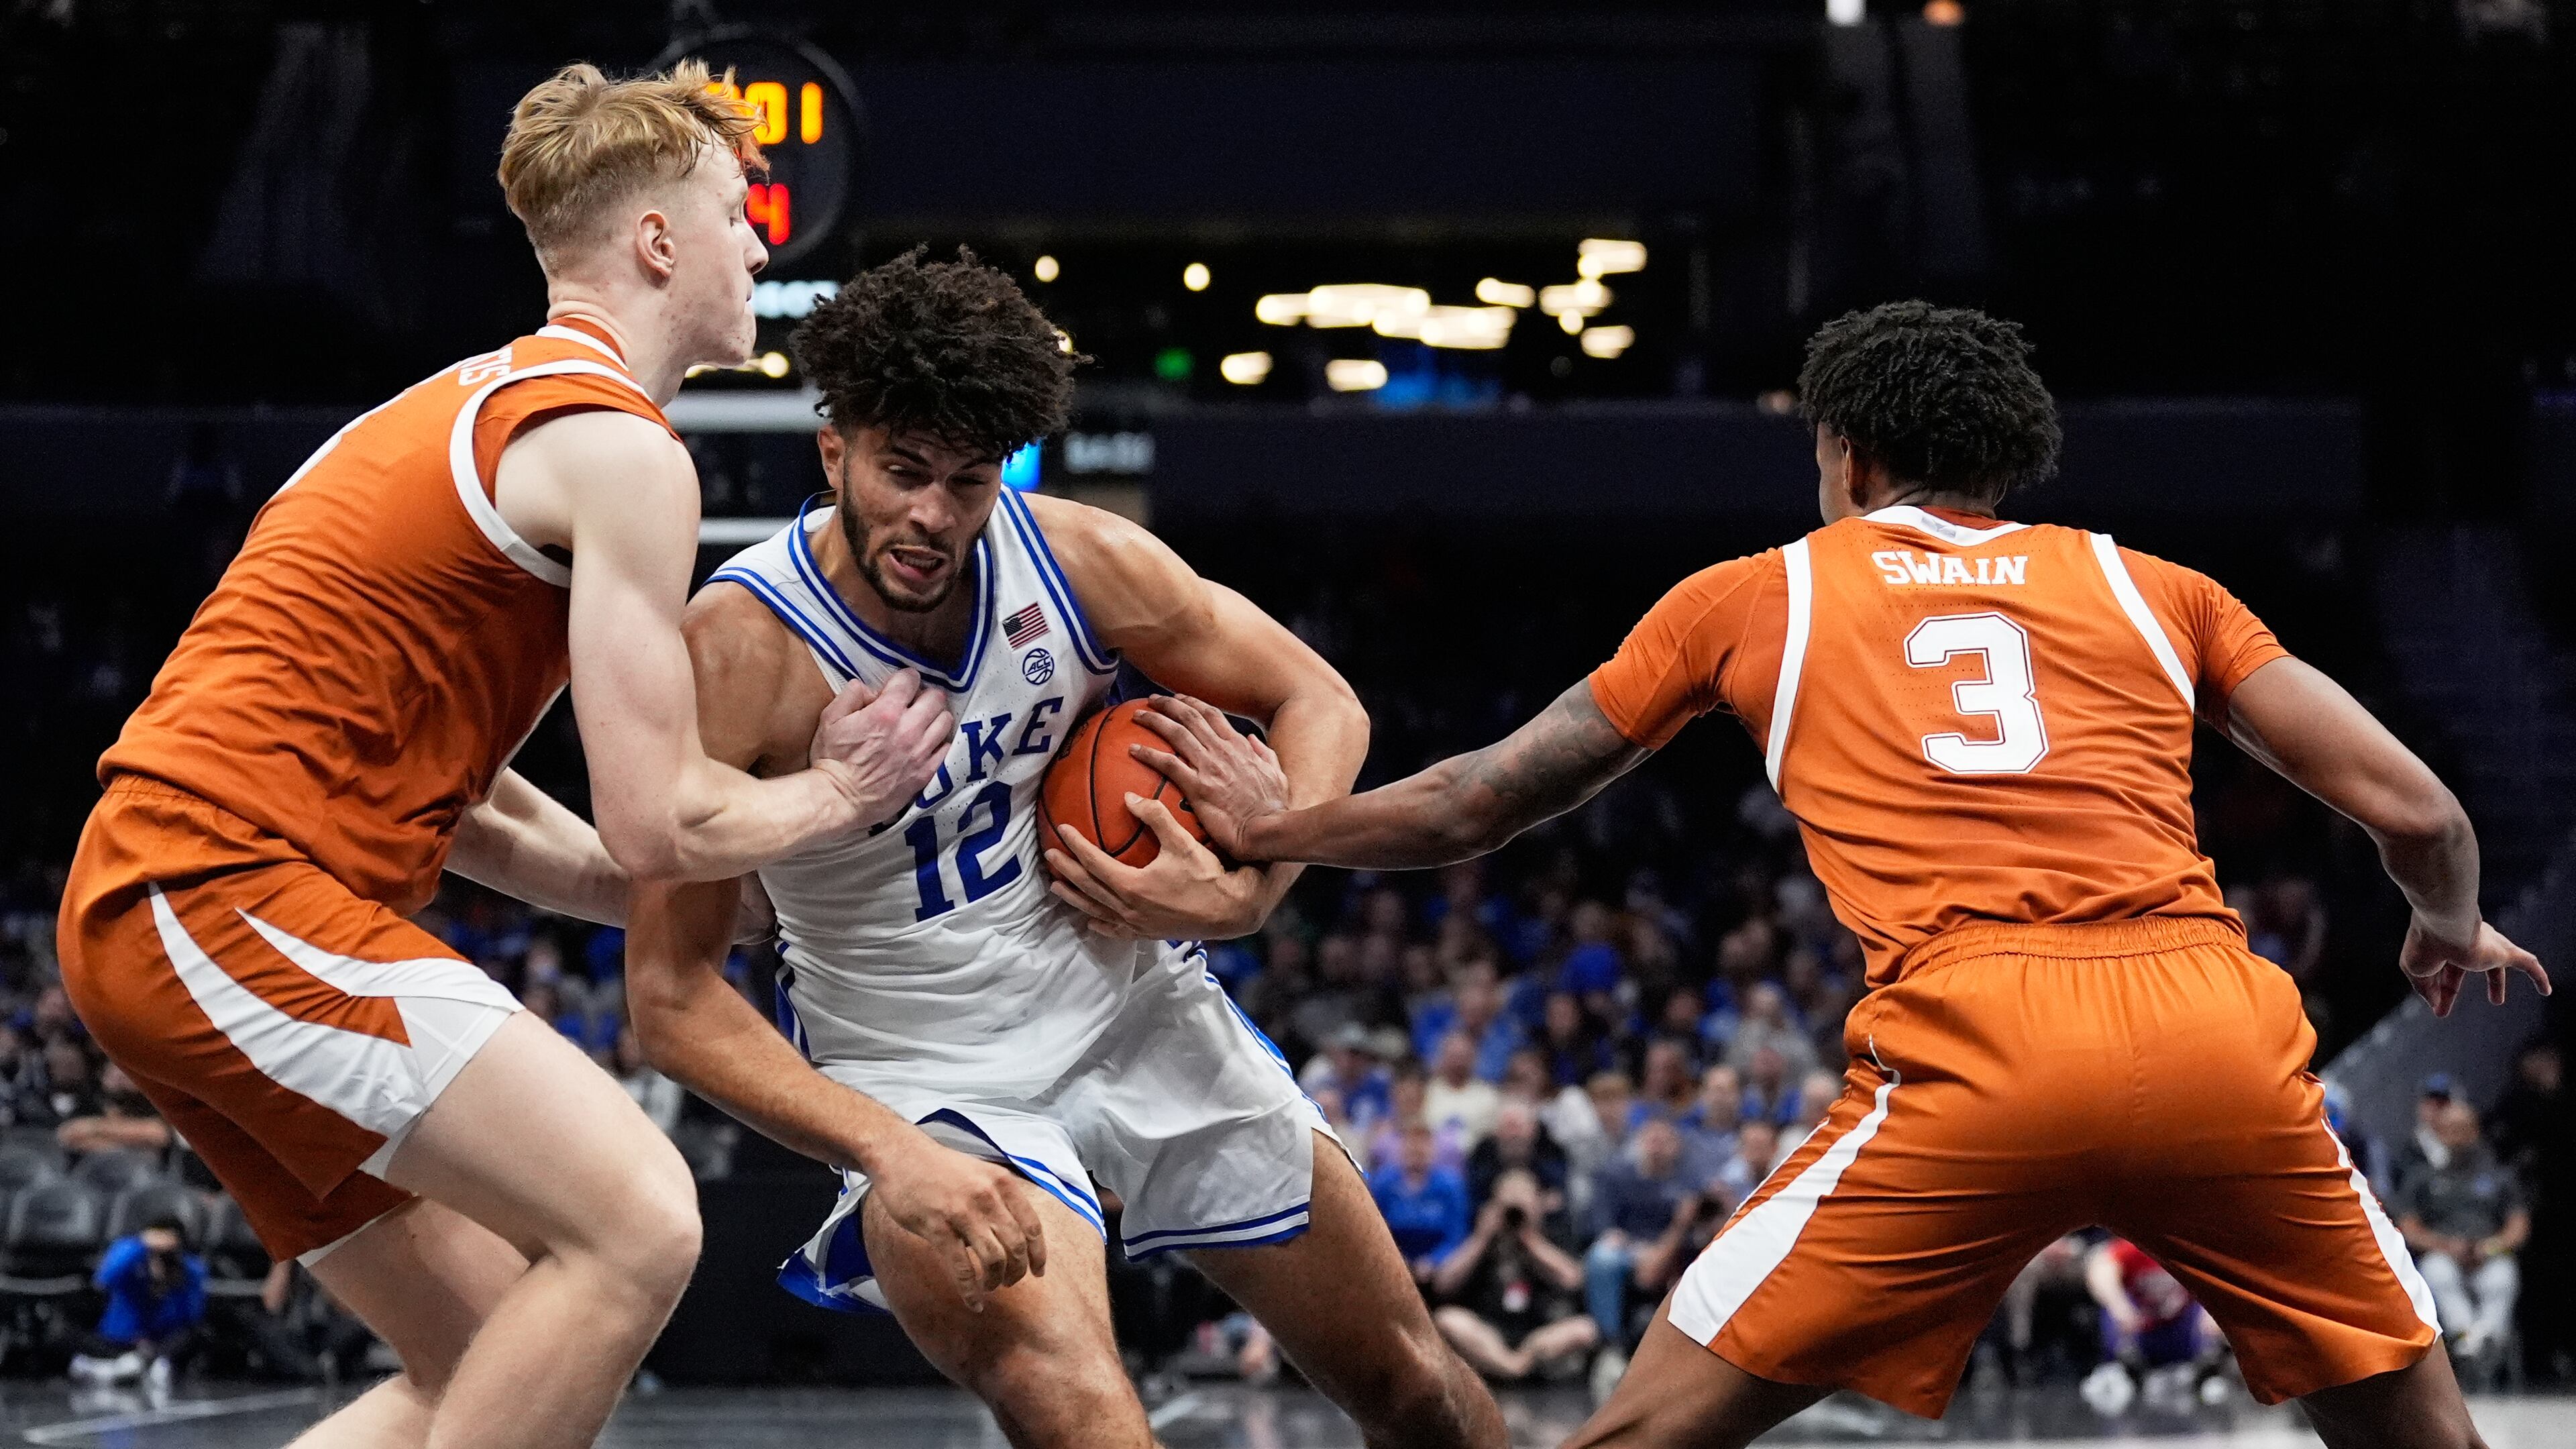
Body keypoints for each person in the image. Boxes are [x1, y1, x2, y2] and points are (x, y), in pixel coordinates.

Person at [1143, 300, 2548, 1446]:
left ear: (1852, 456)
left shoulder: (1763, 593)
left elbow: (1478, 801)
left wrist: (1272, 830)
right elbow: (2421, 812)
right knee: (2425, 1437)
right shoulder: (2155, 586)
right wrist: (2443, 925)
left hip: (1980, 1049)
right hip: (2213, 1034)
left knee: (1641, 1437)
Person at [54, 62, 956, 1449]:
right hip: (222, 894)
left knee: (477, 1362)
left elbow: (468, 808)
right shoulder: (621, 452)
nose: (761, 242)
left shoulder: (454, 412)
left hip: (161, 910)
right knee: (642, 1221)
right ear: (658, 241)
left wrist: (728, 881)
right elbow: (658, 828)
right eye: (736, 211)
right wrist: (837, 795)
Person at [621, 251, 1504, 1449]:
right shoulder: (738, 647)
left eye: (967, 481)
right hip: (929, 1087)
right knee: (1091, 1423)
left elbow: (1320, 699)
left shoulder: (1077, 562)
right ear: (834, 452)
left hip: (1140, 1019)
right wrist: (889, 1152)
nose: (933, 515)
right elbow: (671, 1001)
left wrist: (1254, 884)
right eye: (903, 472)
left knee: (1420, 1389)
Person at [1431, 1168, 1599, 1382]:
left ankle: (1509, 1368)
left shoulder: (1552, 1234)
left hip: (1539, 1333)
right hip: (1490, 1332)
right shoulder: (1483, 1238)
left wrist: (1530, 1240)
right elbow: (1443, 1284)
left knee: (1585, 1329)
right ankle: (1515, 1368)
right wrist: (1481, 1239)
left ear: (1538, 1204)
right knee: (1448, 1319)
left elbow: (1573, 1279)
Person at [2398, 1100, 2528, 1371]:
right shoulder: (2422, 1177)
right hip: (2444, 1255)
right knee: (2436, 1272)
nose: (2455, 1136)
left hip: (2488, 1255)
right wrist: (2445, 1246)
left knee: (2502, 1277)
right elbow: (2408, 1229)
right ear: (2439, 1133)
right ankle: (2471, 1335)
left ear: (2475, 1130)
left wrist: (2491, 1247)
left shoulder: (2499, 1175)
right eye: (2449, 1129)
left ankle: (2479, 1339)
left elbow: (2519, 1226)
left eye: (2462, 1129)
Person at [2080, 1237, 2229, 1414]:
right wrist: (2119, 1306)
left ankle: (2208, 1373)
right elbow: (2101, 1268)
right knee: (2114, 1311)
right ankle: (2125, 1371)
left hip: (2185, 1331)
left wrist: (2215, 1310)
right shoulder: (2133, 1248)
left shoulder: (2192, 1249)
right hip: (2142, 1330)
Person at [69, 1217, 206, 1396]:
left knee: (196, 1334)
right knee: (67, 1332)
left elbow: (193, 1315)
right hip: (121, 1340)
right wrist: (140, 1246)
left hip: (161, 1342)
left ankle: (135, 1366)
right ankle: (125, 1366)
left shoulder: (190, 1270)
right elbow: (104, 1279)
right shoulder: (132, 1258)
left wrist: (174, 1280)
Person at [1373, 1122, 1474, 1285]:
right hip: (1394, 1261)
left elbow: (1457, 1234)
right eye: (1411, 1147)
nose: (1416, 1152)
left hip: (1439, 1269)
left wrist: (1434, 1260)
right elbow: (1376, 1230)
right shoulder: (1384, 1182)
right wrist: (1397, 1259)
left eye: (1422, 1147)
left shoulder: (1450, 1185)